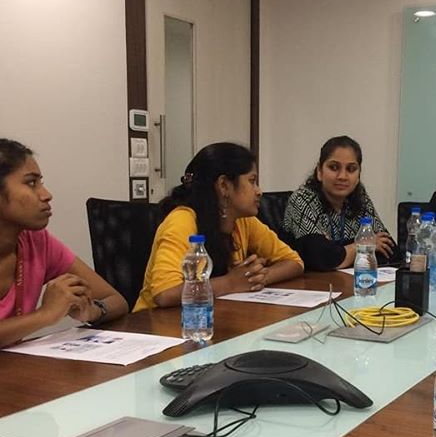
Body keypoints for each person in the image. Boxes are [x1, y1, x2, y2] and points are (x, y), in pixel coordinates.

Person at [134, 142, 303, 311]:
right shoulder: (182, 220)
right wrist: (230, 283)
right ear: (223, 185)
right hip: (157, 326)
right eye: (252, 181)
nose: (259, 191)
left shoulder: (243, 220)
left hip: (212, 317)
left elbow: (294, 262)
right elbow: (165, 294)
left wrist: (256, 278)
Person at [0, 139, 128, 347]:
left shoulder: (37, 242)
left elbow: (116, 300)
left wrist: (92, 310)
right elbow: (47, 315)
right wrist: (45, 315)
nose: (46, 194)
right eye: (31, 183)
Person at [283, 135, 398, 270]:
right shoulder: (303, 199)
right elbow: (321, 259)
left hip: (345, 284)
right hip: (307, 285)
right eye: (334, 167)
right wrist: (362, 246)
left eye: (351, 169)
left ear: (359, 174)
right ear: (319, 171)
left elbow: (390, 252)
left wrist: (338, 252)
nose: (342, 176)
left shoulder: (359, 198)